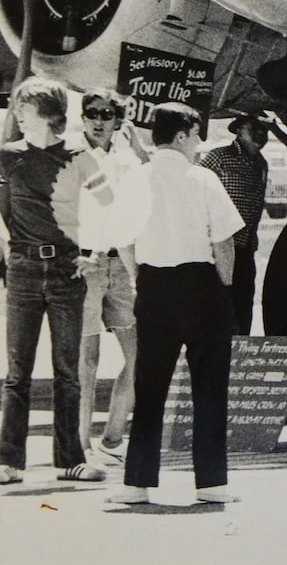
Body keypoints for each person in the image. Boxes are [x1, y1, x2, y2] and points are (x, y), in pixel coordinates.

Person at [107, 102, 242, 505]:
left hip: (155, 284)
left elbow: (124, 240)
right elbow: (224, 242)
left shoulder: (135, 180)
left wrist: (141, 276)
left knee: (150, 387)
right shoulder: (203, 179)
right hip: (202, 284)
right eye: (196, 135)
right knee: (210, 387)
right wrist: (224, 285)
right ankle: (212, 483)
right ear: (182, 135)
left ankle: (137, 484)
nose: (198, 144)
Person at [0, 78, 112, 485]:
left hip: (68, 270)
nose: (17, 115)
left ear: (46, 113)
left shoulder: (81, 157)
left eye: (24, 108)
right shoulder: (7, 157)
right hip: (23, 269)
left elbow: (109, 205)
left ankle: (71, 460)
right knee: (17, 373)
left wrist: (96, 252)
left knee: (68, 371)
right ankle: (8, 462)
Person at [71, 90, 144, 467]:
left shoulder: (128, 158)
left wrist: (139, 147)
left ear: (118, 120)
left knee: (138, 354)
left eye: (108, 114)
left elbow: (148, 196)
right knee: (87, 359)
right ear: (82, 117)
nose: (99, 120)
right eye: (92, 113)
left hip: (122, 261)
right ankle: (80, 446)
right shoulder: (67, 154)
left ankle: (113, 439)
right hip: (83, 264)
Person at [199, 113, 269, 335]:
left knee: (243, 305)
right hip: (218, 247)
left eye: (264, 130)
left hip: (246, 247)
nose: (260, 134)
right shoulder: (218, 157)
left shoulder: (261, 164)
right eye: (254, 128)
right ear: (239, 131)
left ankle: (240, 358)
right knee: (218, 306)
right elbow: (196, 195)